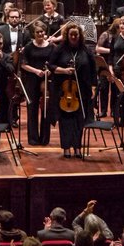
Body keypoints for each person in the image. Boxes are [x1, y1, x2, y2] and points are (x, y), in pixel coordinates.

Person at [53, 22, 95, 158]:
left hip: (81, 91)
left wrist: (93, 87)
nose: (73, 37)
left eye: (76, 34)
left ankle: (77, 147)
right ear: (67, 35)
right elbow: (51, 66)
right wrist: (64, 70)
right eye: (71, 34)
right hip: (64, 91)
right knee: (65, 120)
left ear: (79, 35)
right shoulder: (60, 49)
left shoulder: (86, 50)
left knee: (79, 120)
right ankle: (66, 147)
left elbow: (93, 70)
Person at [19, 22, 56, 146]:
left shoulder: (52, 47)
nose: (40, 34)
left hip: (46, 80)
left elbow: (54, 63)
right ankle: (33, 138)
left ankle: (45, 138)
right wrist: (36, 71)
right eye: (37, 32)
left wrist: (49, 71)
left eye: (42, 31)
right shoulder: (29, 47)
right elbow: (23, 64)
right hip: (32, 79)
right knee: (32, 107)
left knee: (46, 107)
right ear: (33, 34)